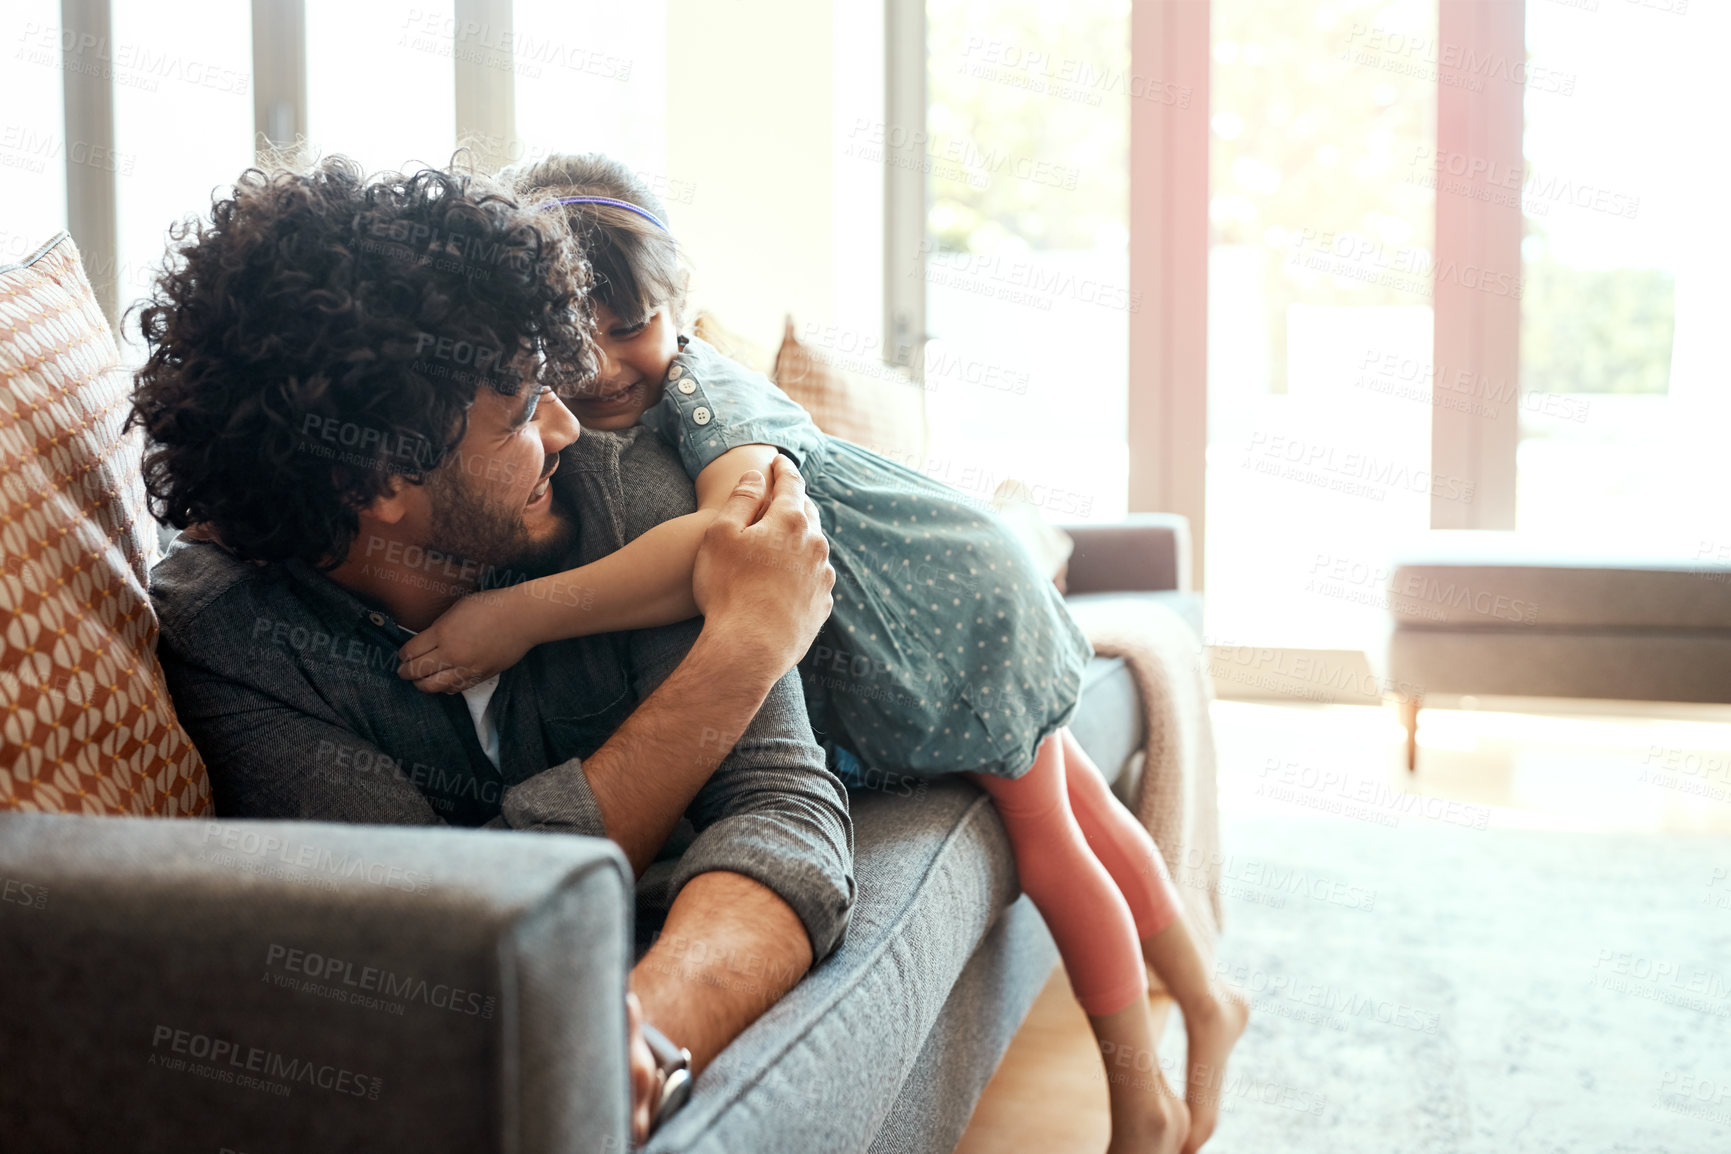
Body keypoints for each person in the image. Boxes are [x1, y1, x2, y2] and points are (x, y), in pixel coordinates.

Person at [398, 153, 1248, 1154]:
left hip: (949, 612)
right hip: (919, 614)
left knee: (1051, 838)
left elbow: (731, 548)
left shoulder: (710, 395)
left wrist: (522, 616)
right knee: (1085, 805)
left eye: (629, 328)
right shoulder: (562, 425)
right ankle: (1207, 992)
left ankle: (1136, 1092)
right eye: (571, 342)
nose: (602, 365)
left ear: (680, 304)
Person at [130, 157, 852, 1144]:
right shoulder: (238, 638)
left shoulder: (629, 491)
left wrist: (635, 1034)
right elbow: (437, 933)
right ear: (380, 474)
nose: (567, 421)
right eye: (521, 408)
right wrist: (743, 650)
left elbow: (780, 809)